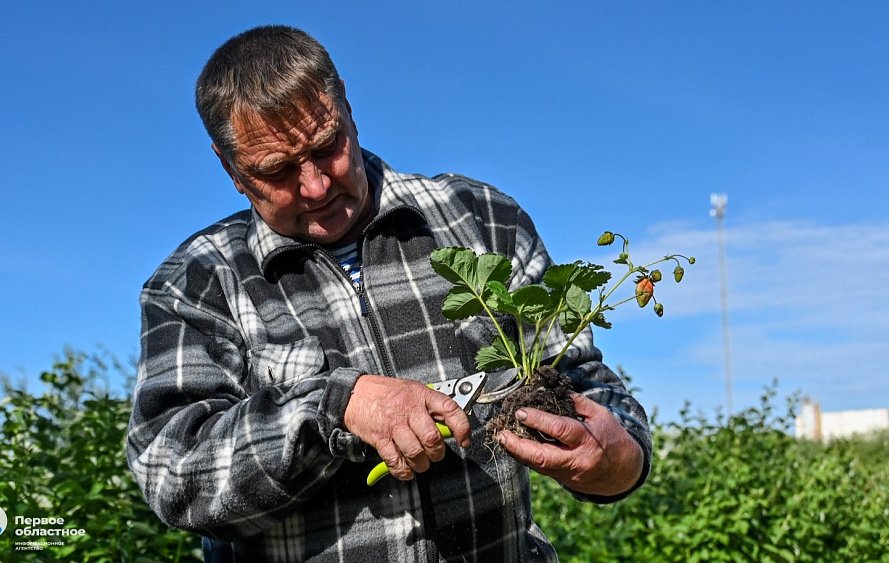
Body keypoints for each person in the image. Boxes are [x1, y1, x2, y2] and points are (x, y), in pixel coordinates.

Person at [127, 25, 650, 563]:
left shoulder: (482, 219)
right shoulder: (196, 282)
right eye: (278, 171)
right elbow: (172, 474)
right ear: (230, 169)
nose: (315, 186)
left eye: (328, 147)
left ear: (348, 108)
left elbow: (584, 381)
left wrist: (621, 460)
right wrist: (334, 406)